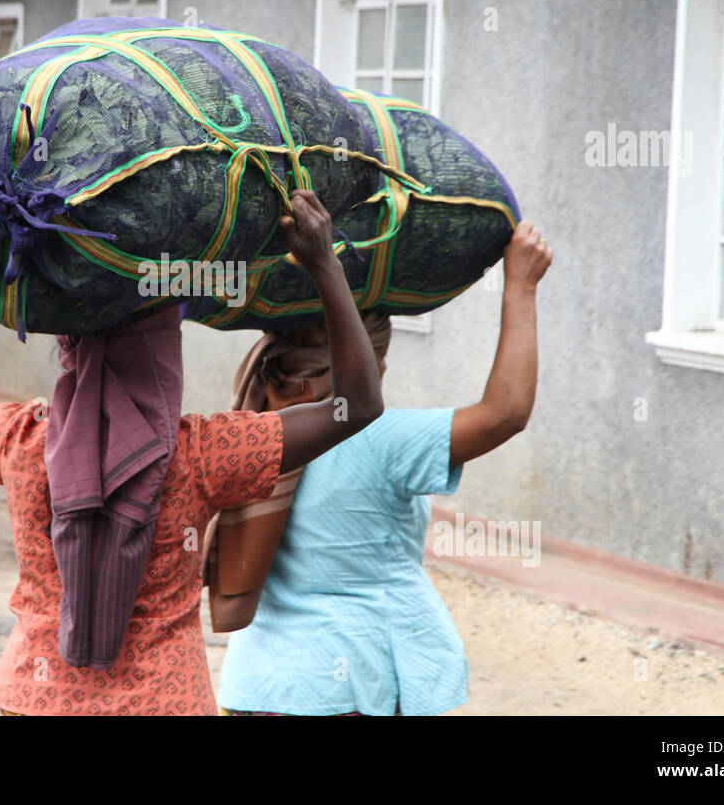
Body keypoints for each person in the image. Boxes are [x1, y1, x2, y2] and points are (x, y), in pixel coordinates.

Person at [0, 189, 385, 715]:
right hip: (163, 699)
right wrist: (324, 265)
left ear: (69, 345)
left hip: (33, 696)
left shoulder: (21, 438)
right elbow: (356, 407)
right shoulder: (201, 452)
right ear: (162, 352)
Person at [215, 220, 553, 716]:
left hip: (256, 685)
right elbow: (505, 414)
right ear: (368, 363)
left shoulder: (250, 424)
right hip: (350, 686)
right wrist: (520, 287)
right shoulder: (379, 437)